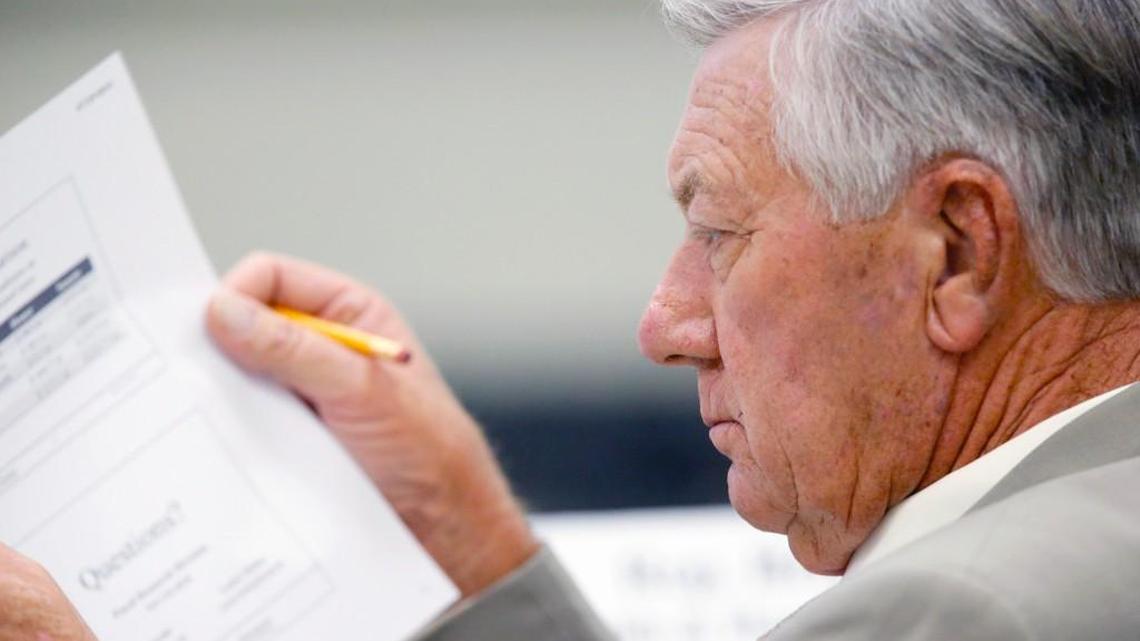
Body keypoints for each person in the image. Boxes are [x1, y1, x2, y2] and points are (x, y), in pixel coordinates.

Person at [5, 0, 1140, 639]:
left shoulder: (957, 611)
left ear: (955, 249)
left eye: (720, 233)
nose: (666, 322)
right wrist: (470, 537)